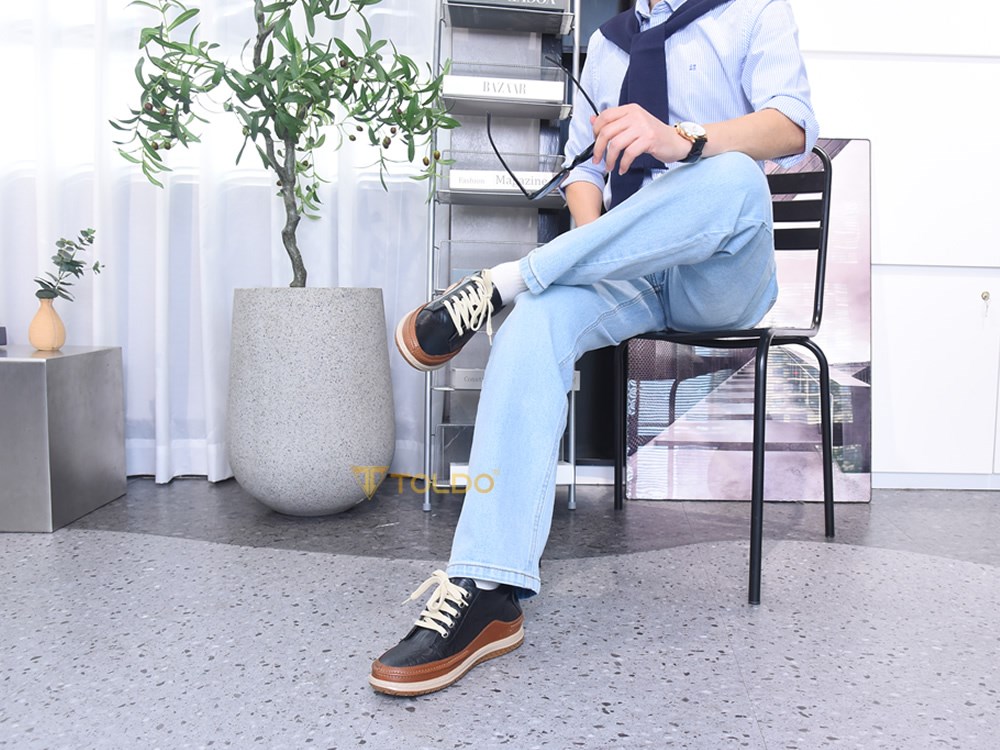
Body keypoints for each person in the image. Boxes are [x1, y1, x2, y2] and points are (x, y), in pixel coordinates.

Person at [370, 0, 819, 697]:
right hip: (629, 267)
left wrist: (682, 139)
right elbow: (582, 169)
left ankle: (505, 280)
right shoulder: (609, 47)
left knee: (732, 175)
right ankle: (489, 590)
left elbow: (792, 126)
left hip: (720, 272)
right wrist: (592, 247)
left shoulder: (752, 11)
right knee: (532, 322)